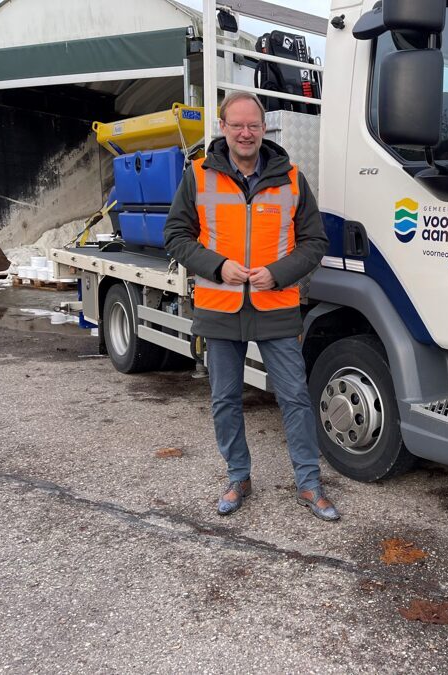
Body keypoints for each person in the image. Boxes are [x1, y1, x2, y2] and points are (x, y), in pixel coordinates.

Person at [164, 91, 338, 521]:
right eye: (237, 125)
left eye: (253, 125)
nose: (245, 133)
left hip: (275, 306)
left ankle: (309, 483)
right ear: (223, 127)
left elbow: (315, 242)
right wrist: (218, 266)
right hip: (219, 307)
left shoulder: (292, 179)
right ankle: (238, 476)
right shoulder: (199, 175)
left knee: (295, 397)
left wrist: (278, 273)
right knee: (225, 399)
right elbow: (176, 236)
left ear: (264, 129)